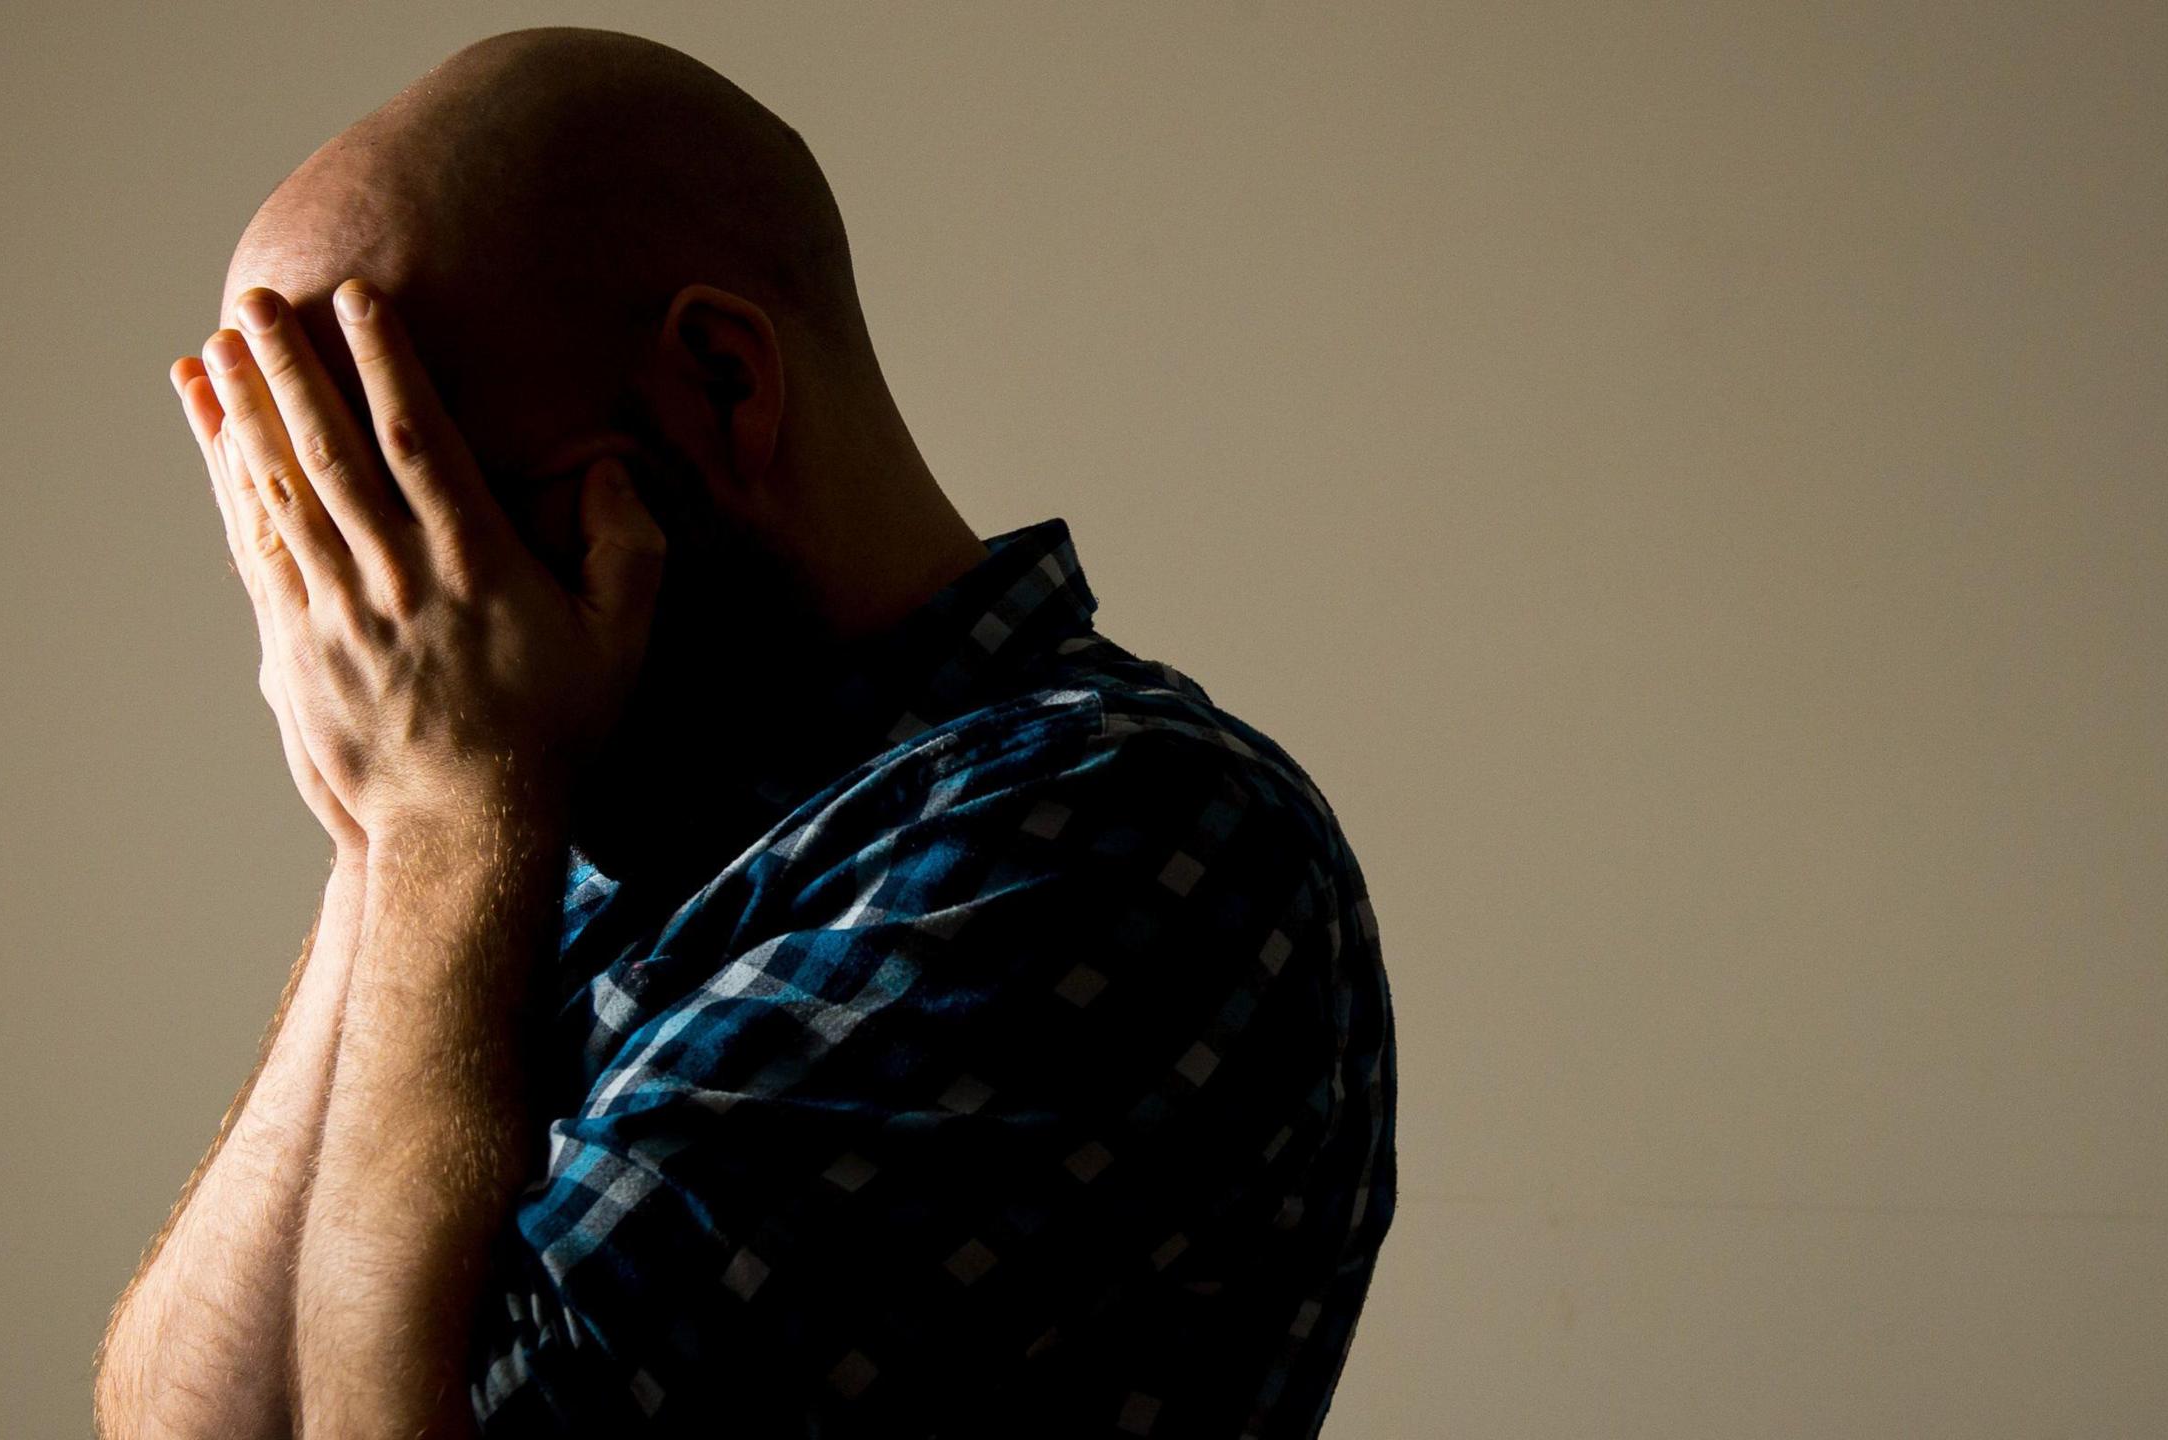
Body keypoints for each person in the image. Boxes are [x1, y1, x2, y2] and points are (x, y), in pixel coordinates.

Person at [94, 25, 1396, 1440]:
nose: (384, 626)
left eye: (426, 521)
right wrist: (379, 840)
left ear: (723, 381)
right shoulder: (531, 811)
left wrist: (434, 819)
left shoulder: (1122, 833)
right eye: (327, 551)